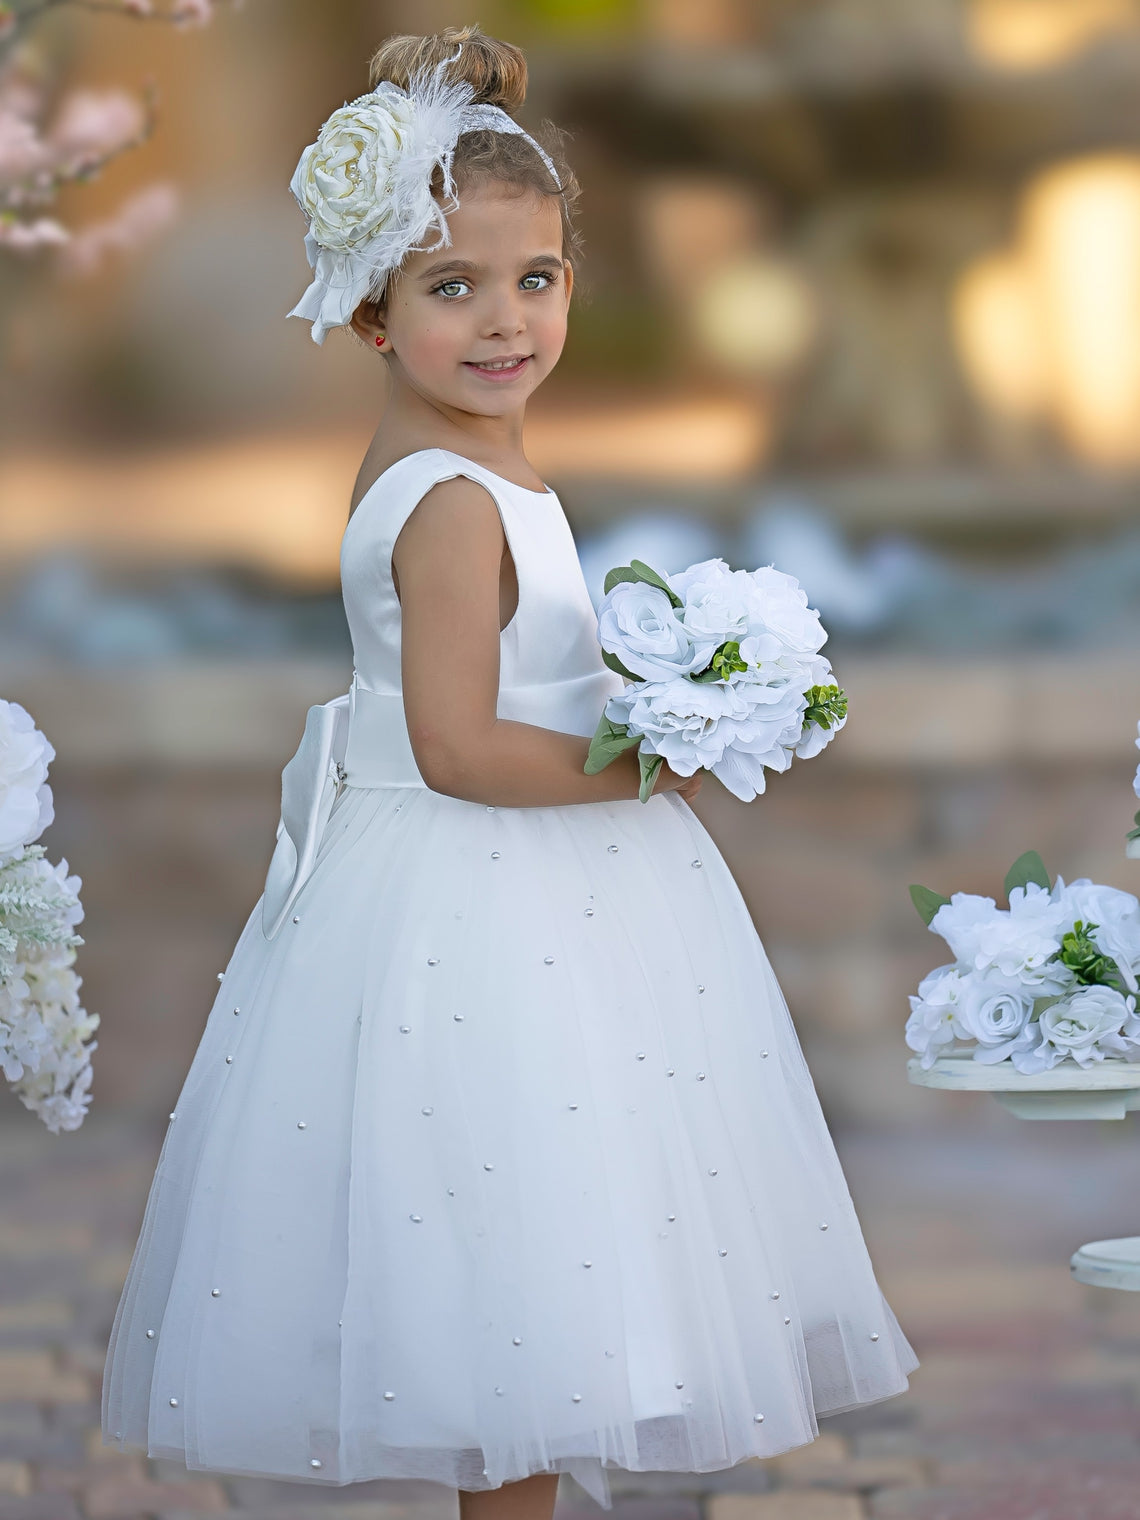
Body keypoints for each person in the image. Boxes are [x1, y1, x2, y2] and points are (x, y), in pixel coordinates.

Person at [101, 24, 918, 1520]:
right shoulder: (452, 503)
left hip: (512, 887)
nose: (503, 322)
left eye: (533, 279)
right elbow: (461, 745)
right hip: (483, 900)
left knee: (535, 1276)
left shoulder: (461, 465)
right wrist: (655, 762)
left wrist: (677, 680)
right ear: (370, 310)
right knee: (515, 1275)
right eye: (451, 288)